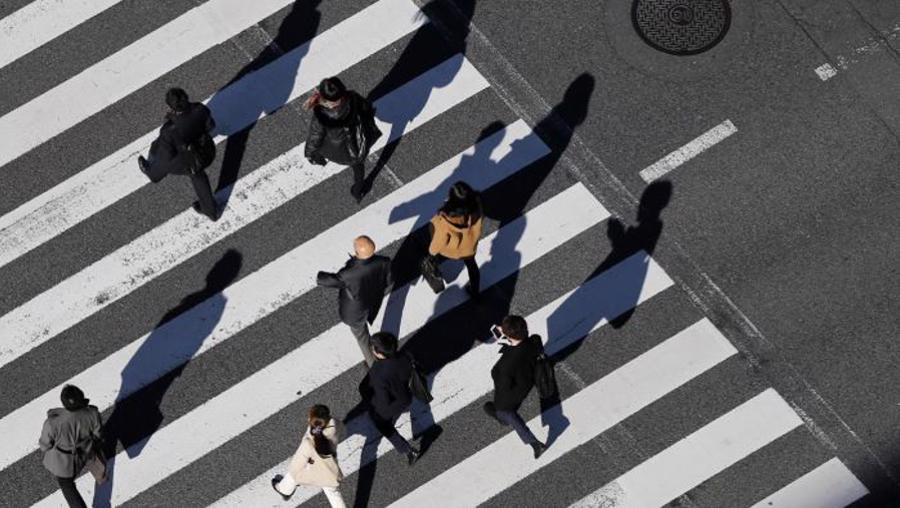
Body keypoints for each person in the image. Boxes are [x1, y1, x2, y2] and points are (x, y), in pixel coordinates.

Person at [138, 87, 220, 220]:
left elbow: (166, 158)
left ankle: (153, 175)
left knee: (161, 154)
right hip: (207, 151)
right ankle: (211, 211)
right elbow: (211, 126)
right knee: (198, 175)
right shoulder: (200, 109)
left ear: (171, 107)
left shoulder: (169, 130)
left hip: (189, 161)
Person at [317, 236, 392, 367]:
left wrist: (319, 276)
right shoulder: (384, 261)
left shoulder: (348, 274)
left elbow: (329, 281)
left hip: (355, 312)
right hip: (372, 302)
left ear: (357, 253)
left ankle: (373, 365)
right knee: (363, 335)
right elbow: (389, 280)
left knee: (363, 338)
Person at [304, 77, 381, 202]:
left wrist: (310, 154)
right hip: (357, 144)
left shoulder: (322, 115)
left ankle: (357, 191)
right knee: (358, 169)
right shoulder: (353, 97)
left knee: (356, 166)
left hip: (340, 150)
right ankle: (357, 192)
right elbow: (366, 108)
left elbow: (315, 138)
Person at [483, 315, 548, 459]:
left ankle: (533, 442)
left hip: (513, 393)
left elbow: (502, 384)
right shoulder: (534, 340)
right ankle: (501, 417)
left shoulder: (505, 365)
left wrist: (507, 341)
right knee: (496, 409)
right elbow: (527, 347)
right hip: (529, 379)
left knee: (504, 412)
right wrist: (508, 338)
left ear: (508, 335)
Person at [38, 385, 104, 508]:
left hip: (63, 462)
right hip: (85, 452)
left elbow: (45, 446)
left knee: (67, 486)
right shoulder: (93, 413)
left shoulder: (52, 423)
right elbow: (98, 435)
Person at [360, 332, 421, 465]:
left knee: (382, 423)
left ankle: (407, 450)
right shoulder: (405, 356)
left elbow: (384, 402)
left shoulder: (379, 375)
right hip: (405, 395)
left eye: (373, 348)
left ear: (380, 354)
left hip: (394, 402)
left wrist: (373, 409)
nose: (371, 349)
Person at [271, 404, 346, 507]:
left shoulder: (309, 442)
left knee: (295, 474)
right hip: (329, 467)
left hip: (312, 467)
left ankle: (284, 489)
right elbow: (342, 430)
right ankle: (285, 489)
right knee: (333, 493)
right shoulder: (336, 423)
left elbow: (296, 466)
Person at [426, 181, 483, 298]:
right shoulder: (476, 207)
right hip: (469, 246)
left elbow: (438, 243)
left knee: (431, 254)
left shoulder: (444, 221)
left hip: (451, 250)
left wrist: (431, 254)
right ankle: (475, 292)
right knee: (472, 266)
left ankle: (435, 268)